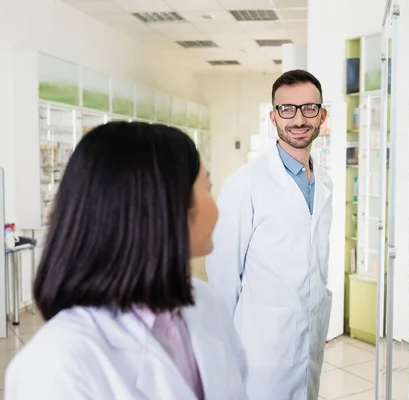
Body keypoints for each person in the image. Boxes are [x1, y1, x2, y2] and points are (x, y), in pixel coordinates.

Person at [5, 122, 248, 400]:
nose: (216, 206)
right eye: (207, 188)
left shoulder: (206, 303)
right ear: (164, 208)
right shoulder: (53, 366)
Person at [206, 69, 333, 400]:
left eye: (309, 108)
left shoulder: (325, 182)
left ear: (322, 115)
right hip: (261, 348)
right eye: (287, 109)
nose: (298, 118)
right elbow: (222, 279)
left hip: (309, 339)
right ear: (273, 117)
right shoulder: (245, 184)